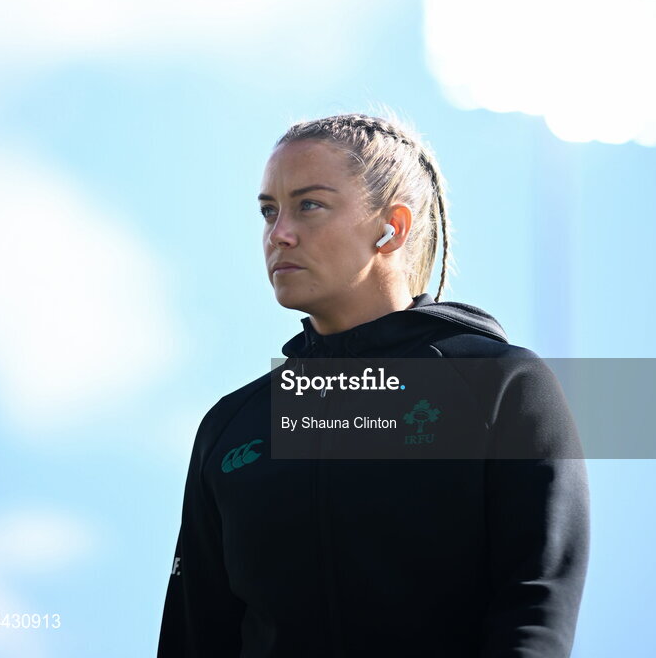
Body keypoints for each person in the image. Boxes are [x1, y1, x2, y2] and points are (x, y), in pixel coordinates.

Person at [157, 110, 590, 657]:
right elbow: (194, 638)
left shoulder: (502, 386)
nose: (278, 234)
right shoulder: (231, 426)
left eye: (308, 206)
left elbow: (534, 610)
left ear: (393, 228)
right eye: (269, 212)